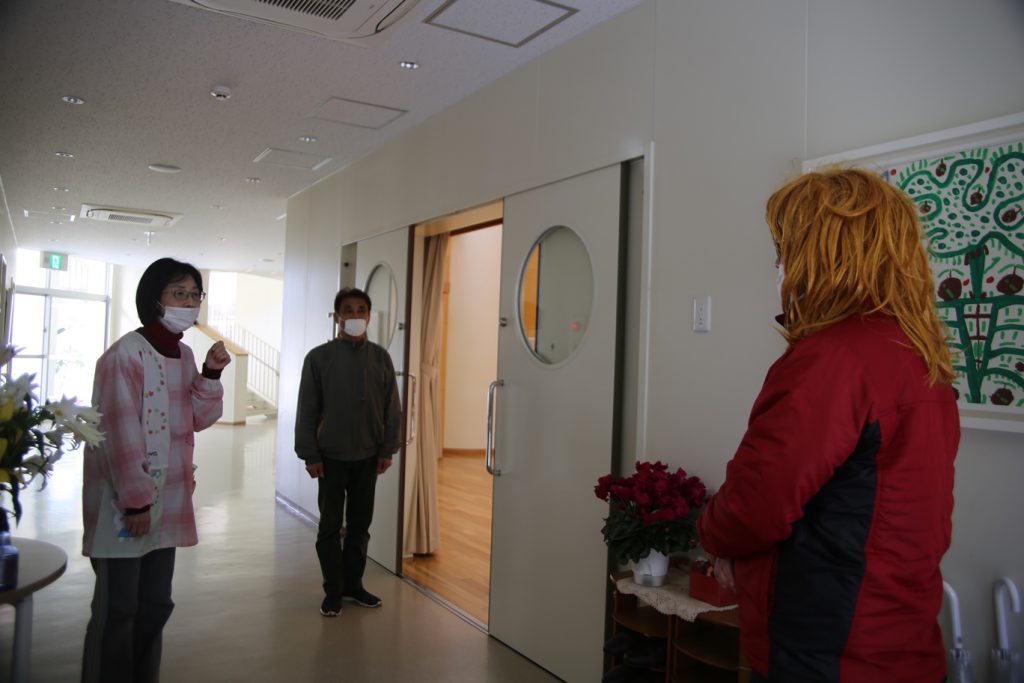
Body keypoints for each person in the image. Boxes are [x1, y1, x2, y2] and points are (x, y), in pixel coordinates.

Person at [697, 169, 960, 683]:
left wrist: (715, 538)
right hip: (901, 638)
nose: (779, 267)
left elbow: (756, 503)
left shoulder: (832, 358)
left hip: (828, 648)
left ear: (822, 253)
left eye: (784, 251)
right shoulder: (921, 355)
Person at [81, 258, 231, 683]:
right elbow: (119, 430)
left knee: (155, 604)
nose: (188, 303)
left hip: (167, 498)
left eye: (194, 295)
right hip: (126, 504)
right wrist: (135, 502)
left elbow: (197, 418)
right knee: (118, 608)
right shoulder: (124, 354)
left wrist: (210, 373)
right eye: (178, 293)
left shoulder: (184, 354)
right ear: (154, 298)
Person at [295, 287, 401, 617]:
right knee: (329, 527)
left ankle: (354, 585)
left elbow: (392, 408)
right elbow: (307, 409)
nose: (355, 316)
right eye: (348, 310)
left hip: (368, 457)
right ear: (337, 317)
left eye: (361, 310)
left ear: (369, 316)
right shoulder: (319, 358)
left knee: (359, 526)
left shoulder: (380, 357)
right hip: (330, 457)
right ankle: (333, 590)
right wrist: (310, 454)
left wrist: (387, 448)